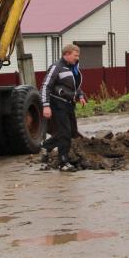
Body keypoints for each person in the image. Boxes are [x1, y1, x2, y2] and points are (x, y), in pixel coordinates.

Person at [39, 44, 86, 172]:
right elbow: (45, 86)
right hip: (58, 104)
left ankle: (46, 146)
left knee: (71, 132)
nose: (77, 58)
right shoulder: (56, 67)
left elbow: (75, 85)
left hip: (69, 104)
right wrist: (46, 106)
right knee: (65, 133)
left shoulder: (73, 68)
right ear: (67, 54)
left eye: (78, 55)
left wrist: (81, 95)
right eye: (75, 55)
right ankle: (63, 163)